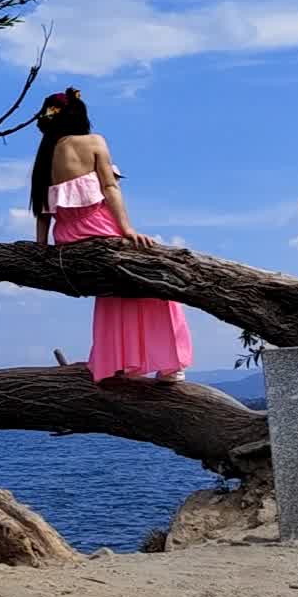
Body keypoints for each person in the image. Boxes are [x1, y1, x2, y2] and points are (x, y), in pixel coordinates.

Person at [30, 88, 192, 382]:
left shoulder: (45, 156)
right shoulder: (93, 142)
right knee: (160, 286)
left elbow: (42, 210)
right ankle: (169, 365)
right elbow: (109, 188)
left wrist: (41, 246)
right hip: (98, 228)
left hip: (66, 235)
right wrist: (127, 230)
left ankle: (119, 361)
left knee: (114, 294)